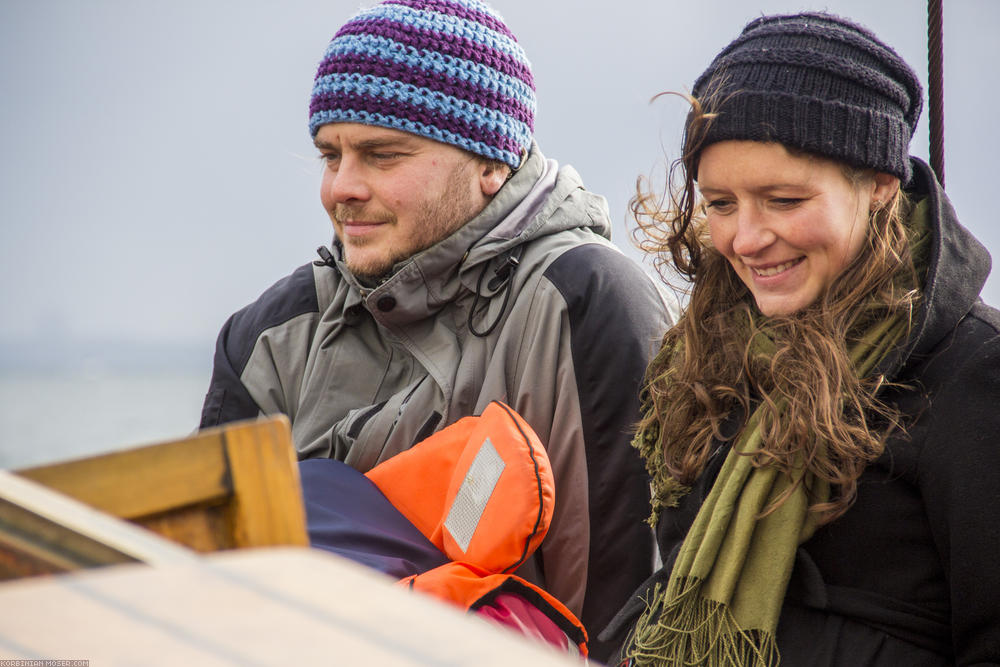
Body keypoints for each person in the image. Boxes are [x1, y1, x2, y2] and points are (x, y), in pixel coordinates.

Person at [198, 0, 672, 659]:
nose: (342, 188)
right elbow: (202, 597)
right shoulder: (268, 335)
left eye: (381, 155)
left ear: (490, 164)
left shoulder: (590, 306)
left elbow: (631, 619)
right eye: (330, 155)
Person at [602, 12, 1000, 667]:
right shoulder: (708, 361)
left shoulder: (973, 375)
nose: (746, 238)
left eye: (783, 200)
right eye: (721, 204)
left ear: (878, 185)